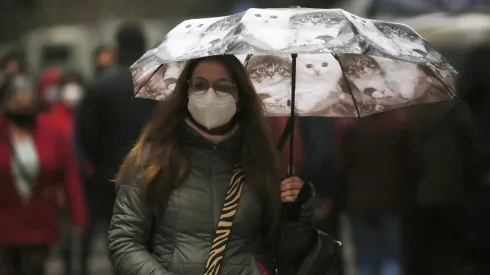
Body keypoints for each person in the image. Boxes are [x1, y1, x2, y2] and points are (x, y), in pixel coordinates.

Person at [108, 55, 316, 275]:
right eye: (199, 85)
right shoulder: (154, 158)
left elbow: (288, 252)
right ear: (185, 91)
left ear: (240, 96)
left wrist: (298, 213)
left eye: (223, 87)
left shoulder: (260, 159)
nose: (209, 95)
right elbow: (124, 241)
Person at [75, 21, 157, 275]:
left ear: (118, 47)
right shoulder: (159, 83)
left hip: (111, 174)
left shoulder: (101, 85)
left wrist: (98, 163)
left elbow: (84, 132)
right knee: (154, 236)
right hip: (155, 171)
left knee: (119, 238)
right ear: (144, 45)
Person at [0, 75, 86, 275]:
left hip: (40, 221)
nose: (22, 104)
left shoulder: (51, 133)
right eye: (15, 99)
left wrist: (78, 216)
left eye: (26, 99)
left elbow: (70, 177)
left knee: (35, 267)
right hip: (5, 221)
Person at [333, 110, 422, 275]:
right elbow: (414, 163)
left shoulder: (349, 127)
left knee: (364, 257)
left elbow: (340, 166)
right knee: (391, 256)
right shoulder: (400, 125)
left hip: (358, 199)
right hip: (391, 199)